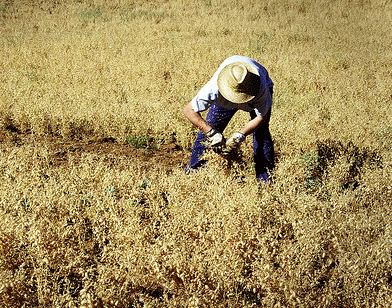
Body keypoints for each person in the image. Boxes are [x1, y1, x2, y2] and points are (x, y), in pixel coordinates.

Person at [183, 55, 275, 183]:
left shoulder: (261, 89)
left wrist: (240, 135)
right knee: (207, 133)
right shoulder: (215, 87)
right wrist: (211, 132)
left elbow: (261, 117)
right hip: (224, 98)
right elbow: (188, 110)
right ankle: (195, 174)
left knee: (262, 134)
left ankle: (266, 181)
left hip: (255, 95)